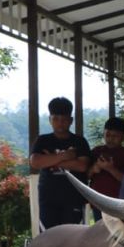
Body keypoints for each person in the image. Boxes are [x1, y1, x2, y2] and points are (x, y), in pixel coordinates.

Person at [29, 96, 92, 229]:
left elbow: (82, 166)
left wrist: (51, 160)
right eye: (55, 119)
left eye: (64, 119)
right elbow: (35, 162)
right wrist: (65, 156)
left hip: (74, 198)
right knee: (49, 236)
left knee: (73, 237)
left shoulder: (79, 141)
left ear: (71, 121)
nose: (60, 123)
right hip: (48, 199)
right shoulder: (43, 140)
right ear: (50, 120)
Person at [87, 116, 124, 221]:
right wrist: (94, 169)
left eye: (115, 136)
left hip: (119, 203)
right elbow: (85, 175)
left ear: (123, 137)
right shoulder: (96, 151)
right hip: (97, 202)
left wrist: (111, 169)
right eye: (107, 135)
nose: (110, 139)